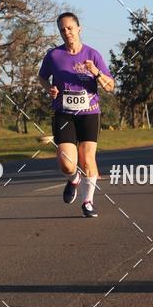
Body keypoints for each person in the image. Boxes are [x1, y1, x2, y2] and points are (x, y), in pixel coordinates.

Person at [38, 12, 114, 218]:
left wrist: (96, 72)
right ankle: (73, 179)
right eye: (62, 30)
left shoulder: (93, 55)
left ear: (79, 29)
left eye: (70, 28)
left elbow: (110, 86)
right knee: (67, 162)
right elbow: (42, 77)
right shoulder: (53, 56)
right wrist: (49, 89)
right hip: (64, 114)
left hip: (89, 113)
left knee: (88, 159)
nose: (67, 33)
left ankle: (87, 202)